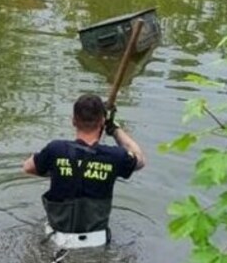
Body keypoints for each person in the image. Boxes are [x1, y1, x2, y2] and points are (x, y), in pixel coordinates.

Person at [22, 94, 146, 248]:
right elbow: (140, 160)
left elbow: (27, 167)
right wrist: (114, 129)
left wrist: (58, 171)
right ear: (101, 121)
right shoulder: (115, 156)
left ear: (73, 120)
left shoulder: (55, 149)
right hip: (98, 242)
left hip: (57, 240)